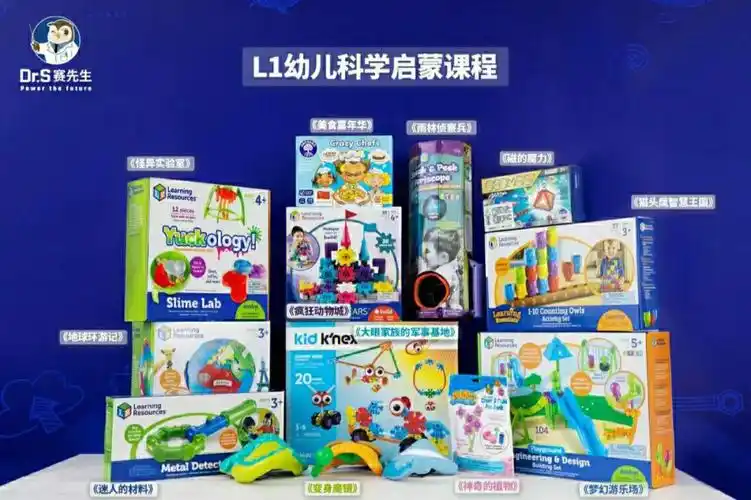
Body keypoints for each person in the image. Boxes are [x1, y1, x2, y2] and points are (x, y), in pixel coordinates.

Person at [420, 228, 463, 309]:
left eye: (427, 251)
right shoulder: (448, 269)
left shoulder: (443, 272)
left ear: (443, 257)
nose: (423, 254)